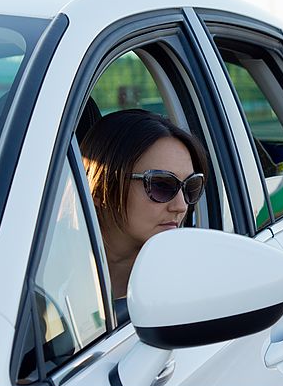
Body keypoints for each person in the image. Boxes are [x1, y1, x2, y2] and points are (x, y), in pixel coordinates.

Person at [80, 109, 208, 304]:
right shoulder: (35, 268)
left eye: (191, 186)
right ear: (98, 189)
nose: (181, 206)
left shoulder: (187, 283)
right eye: (162, 185)